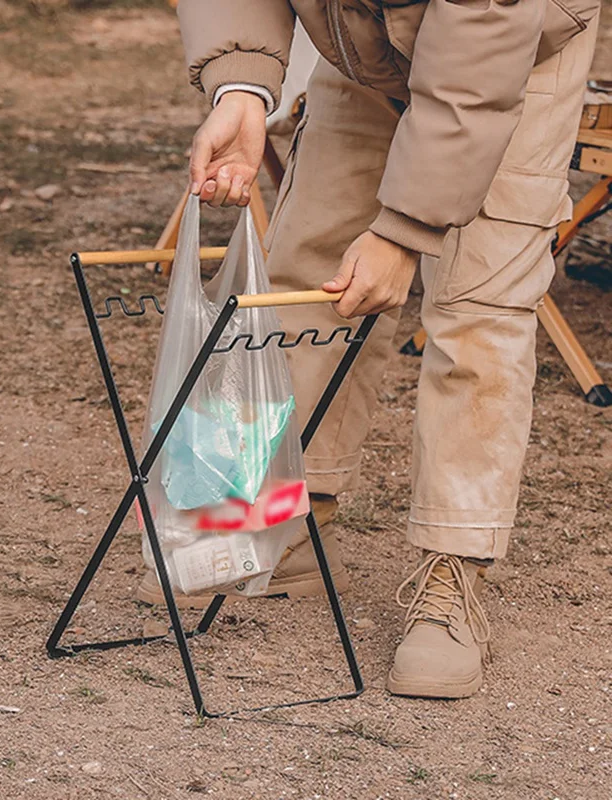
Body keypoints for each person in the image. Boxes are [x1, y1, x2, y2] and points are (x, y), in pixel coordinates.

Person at [137, 0, 601, 698]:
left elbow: (477, 63)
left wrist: (404, 228)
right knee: (306, 271)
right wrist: (240, 86)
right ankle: (283, 519)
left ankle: (453, 572)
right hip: (360, 45)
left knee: (479, 306)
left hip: (513, 51)